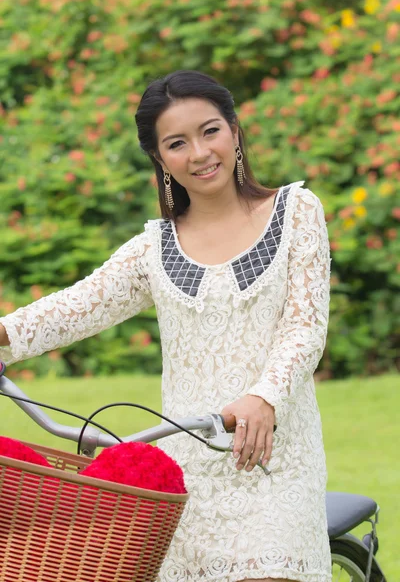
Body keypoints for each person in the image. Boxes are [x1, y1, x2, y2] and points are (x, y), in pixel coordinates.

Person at [0, 70, 332, 582]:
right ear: (161, 160)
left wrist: (264, 397)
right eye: (177, 143)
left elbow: (305, 327)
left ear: (235, 131)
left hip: (273, 460)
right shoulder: (154, 249)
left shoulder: (295, 213)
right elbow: (74, 307)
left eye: (210, 131)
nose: (199, 153)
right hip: (186, 465)